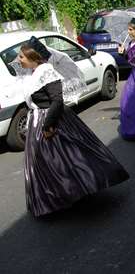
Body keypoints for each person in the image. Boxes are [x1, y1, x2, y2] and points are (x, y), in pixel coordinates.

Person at [17, 37, 129, 217]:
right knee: (49, 163)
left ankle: (75, 190)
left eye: (21, 57)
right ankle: (61, 195)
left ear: (33, 57)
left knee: (68, 158)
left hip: (52, 120)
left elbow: (57, 101)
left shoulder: (46, 72)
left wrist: (48, 125)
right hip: (39, 118)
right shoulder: (34, 72)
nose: (19, 60)